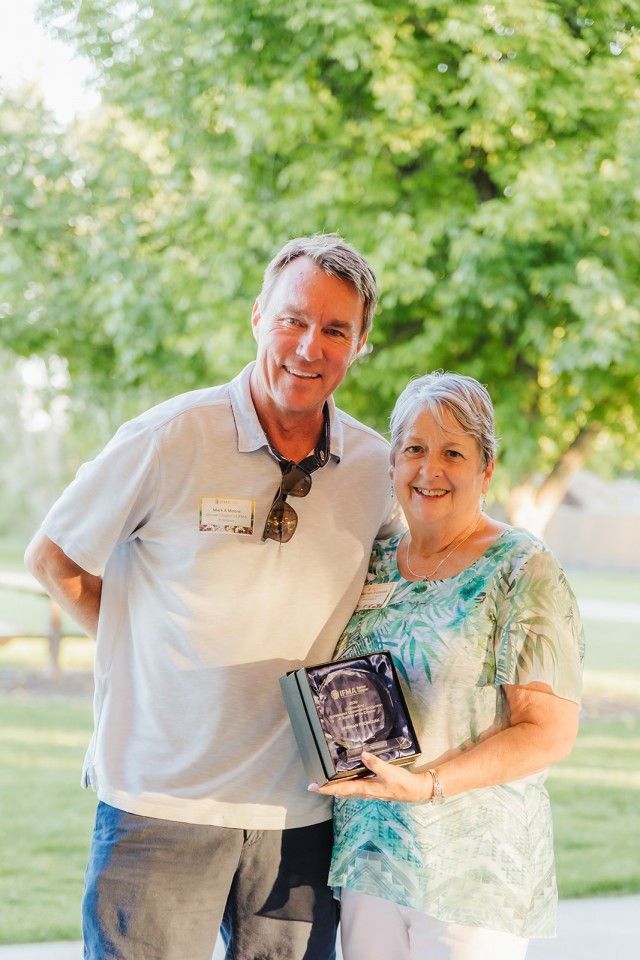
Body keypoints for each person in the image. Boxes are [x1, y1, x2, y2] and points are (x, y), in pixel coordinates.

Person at [24, 234, 402, 960]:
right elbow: (55, 557)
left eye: (335, 330)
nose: (308, 346)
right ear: (258, 317)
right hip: (161, 806)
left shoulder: (375, 470)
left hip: (303, 816)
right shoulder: (170, 437)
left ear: (359, 346)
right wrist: (144, 657)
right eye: (294, 319)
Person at [311, 372, 584, 960]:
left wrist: (429, 786)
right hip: (370, 858)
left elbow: (549, 732)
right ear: (392, 464)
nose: (429, 470)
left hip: (472, 873)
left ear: (486, 470)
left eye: (452, 452)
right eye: (414, 449)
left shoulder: (522, 570)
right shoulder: (374, 561)